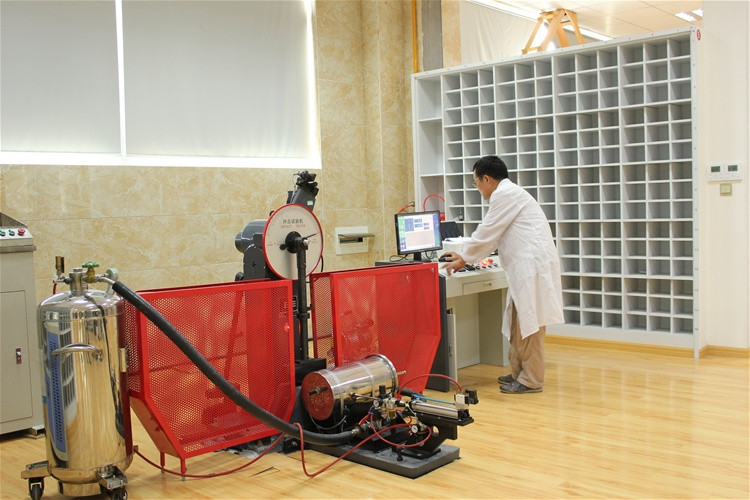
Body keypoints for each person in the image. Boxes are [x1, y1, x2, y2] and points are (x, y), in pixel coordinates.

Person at [440, 155, 564, 394]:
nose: (477, 188)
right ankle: (519, 372)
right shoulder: (509, 194)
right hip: (525, 267)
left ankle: (531, 380)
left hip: (531, 267)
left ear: (487, 179)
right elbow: (493, 236)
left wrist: (464, 257)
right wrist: (466, 255)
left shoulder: (505, 195)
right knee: (518, 321)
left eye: (476, 182)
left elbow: (488, 231)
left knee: (530, 324)